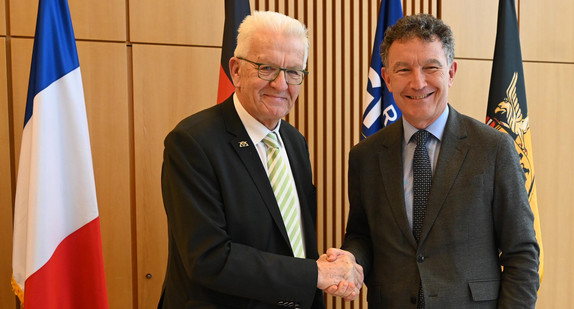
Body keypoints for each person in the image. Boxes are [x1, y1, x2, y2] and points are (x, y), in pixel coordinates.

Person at [328, 13, 540, 308]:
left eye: (431, 67)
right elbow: (362, 234)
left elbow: (522, 254)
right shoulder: (365, 156)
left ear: (451, 73)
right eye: (403, 69)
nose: (418, 82)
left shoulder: (493, 148)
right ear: (387, 78)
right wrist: (350, 258)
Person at [158, 10, 362, 309]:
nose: (281, 85)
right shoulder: (193, 143)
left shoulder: (294, 142)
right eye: (266, 68)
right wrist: (315, 273)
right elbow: (209, 258)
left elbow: (292, 243)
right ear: (236, 70)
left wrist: (329, 266)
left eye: (294, 71)